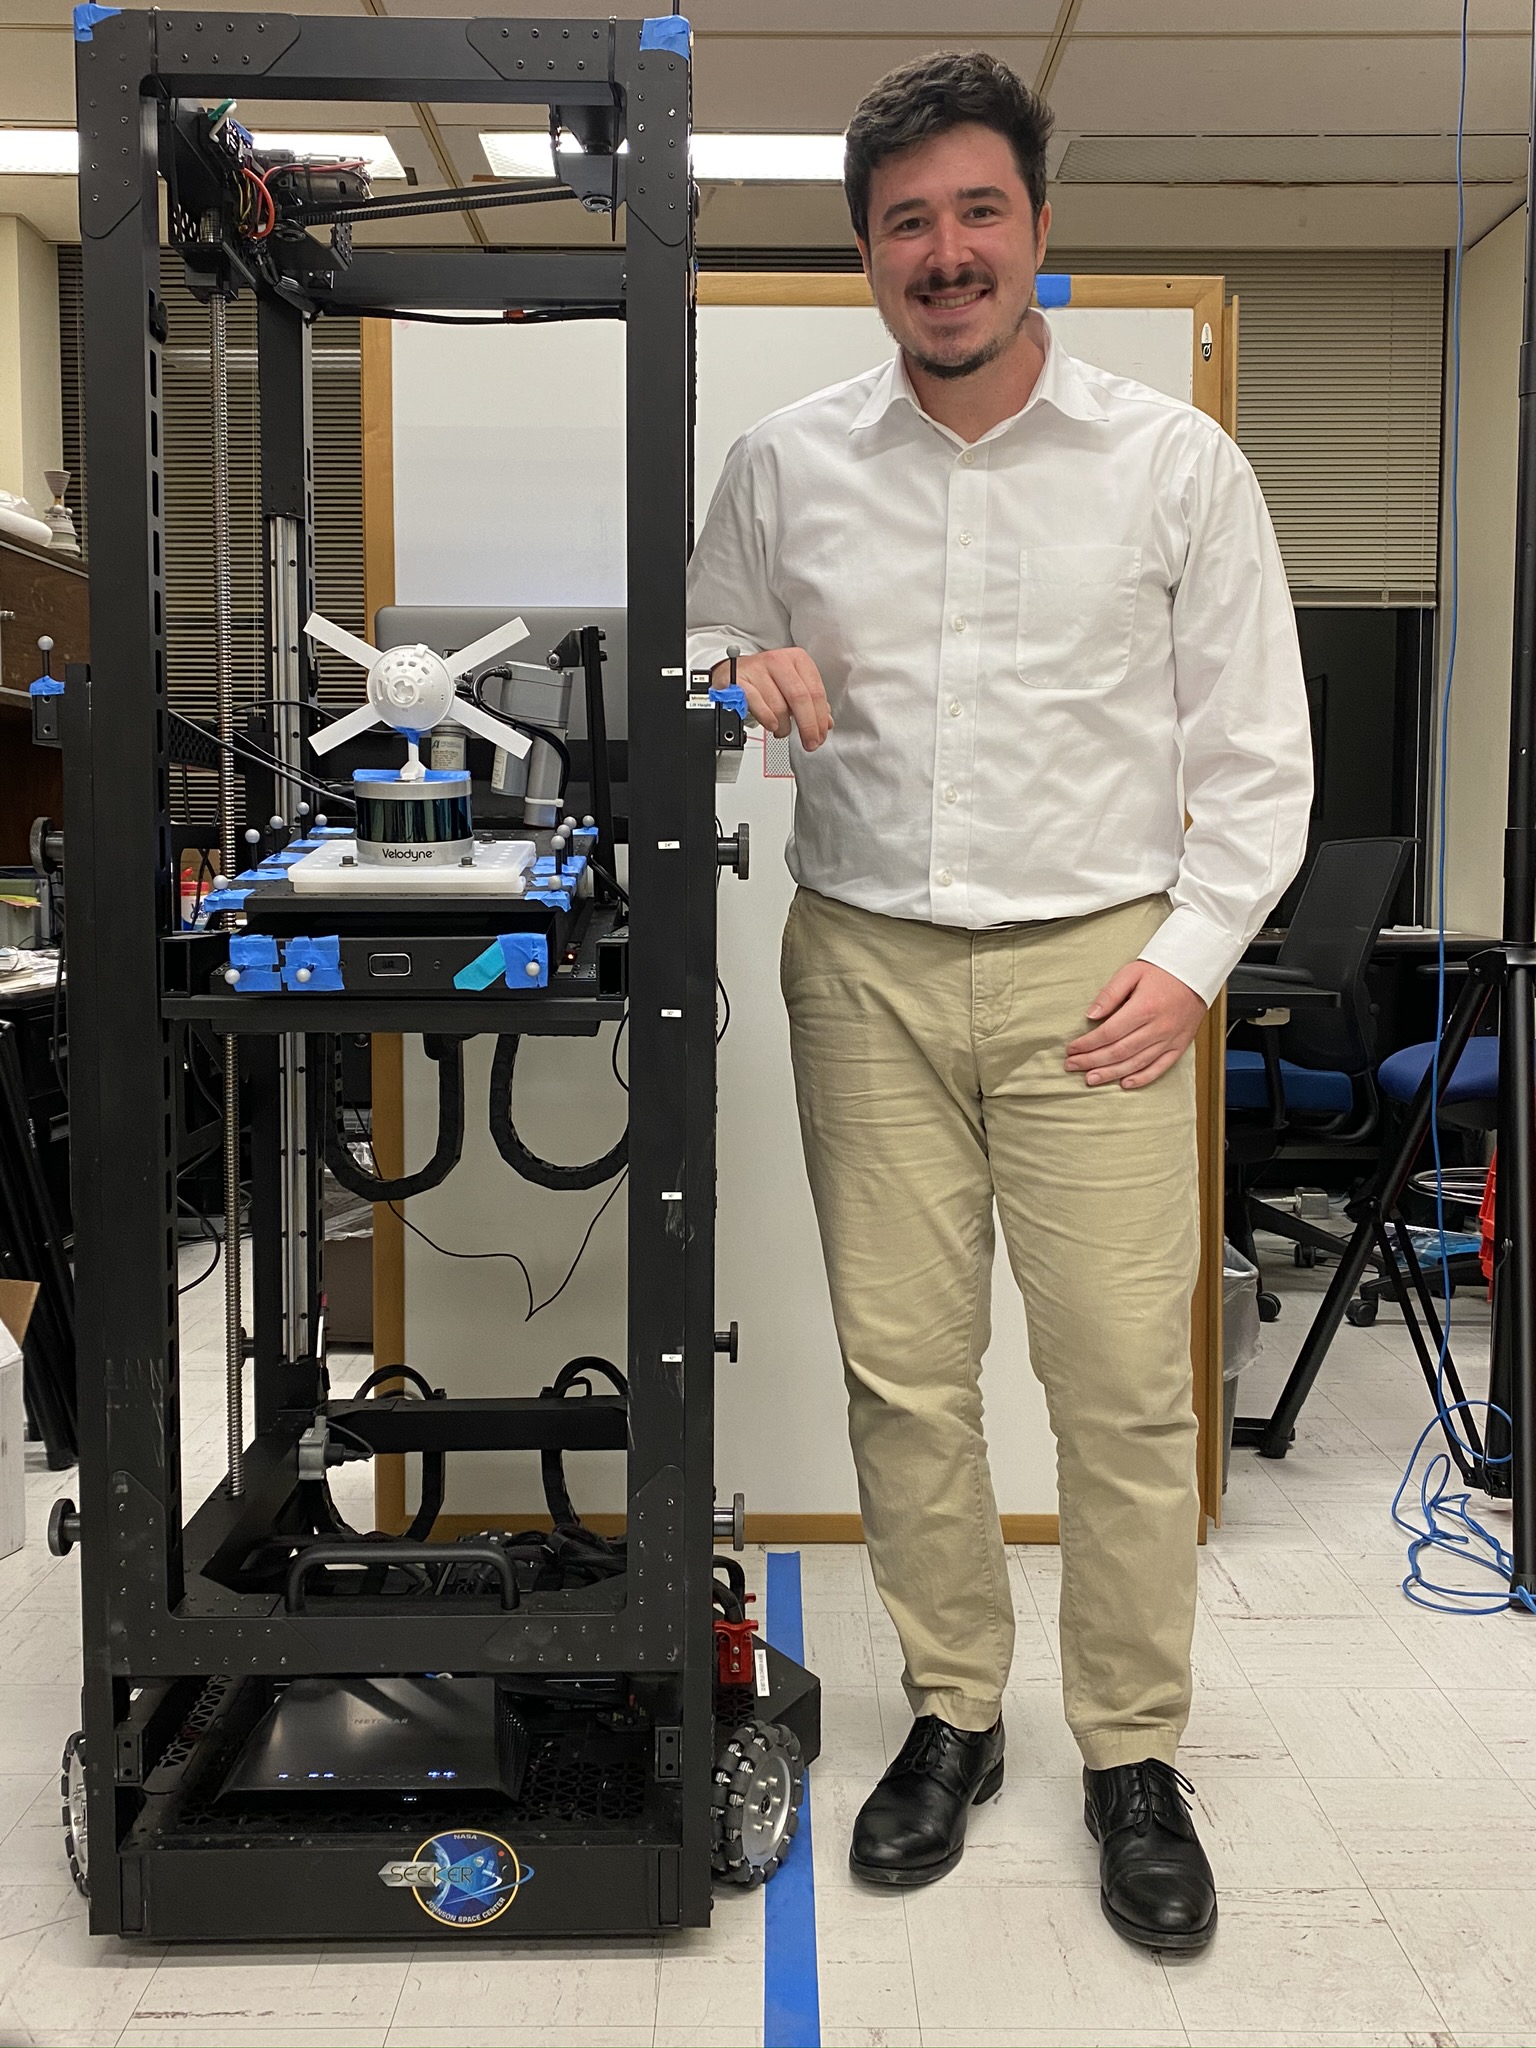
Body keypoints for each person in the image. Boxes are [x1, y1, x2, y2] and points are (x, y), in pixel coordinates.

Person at [686, 48, 1312, 1951]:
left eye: (978, 212)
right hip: (862, 964)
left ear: (1040, 227)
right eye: (906, 223)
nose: (945, 252)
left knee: (1121, 1389)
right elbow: (707, 645)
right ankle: (954, 1712)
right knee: (906, 1374)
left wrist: (1185, 968)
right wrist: (735, 672)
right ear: (866, 251)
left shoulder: (1174, 464)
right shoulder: (785, 461)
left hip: (1096, 973)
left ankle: (1132, 1753)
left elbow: (1259, 763)